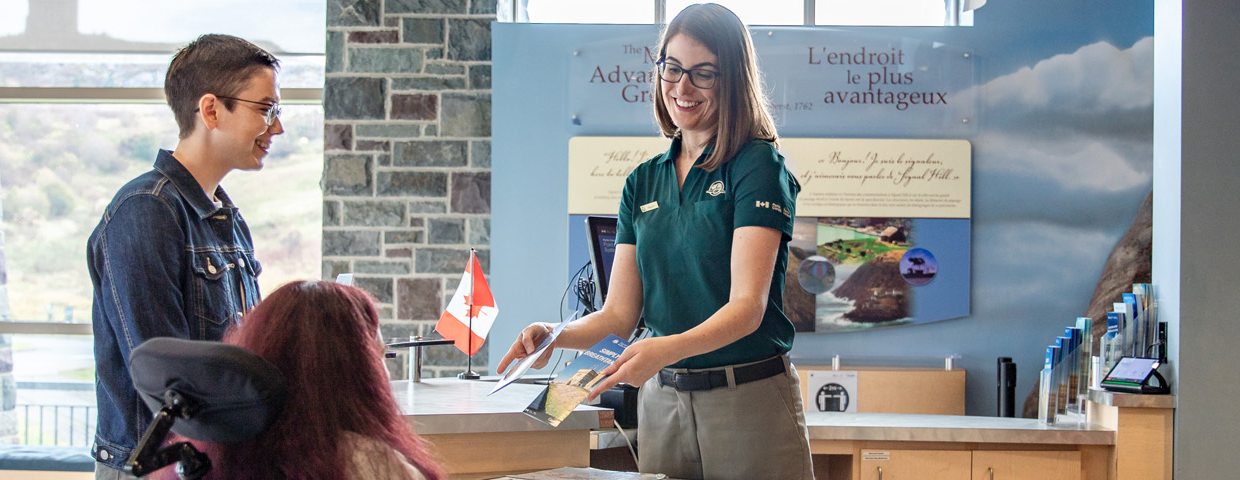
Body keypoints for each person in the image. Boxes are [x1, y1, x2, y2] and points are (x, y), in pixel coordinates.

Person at [497, 4, 813, 479]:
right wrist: (553, 334)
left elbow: (747, 307)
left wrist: (663, 348)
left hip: (748, 400)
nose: (682, 87)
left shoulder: (758, 167)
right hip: (663, 404)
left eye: (703, 74)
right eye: (672, 67)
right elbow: (619, 316)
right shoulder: (642, 183)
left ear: (733, 80)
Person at [87, 34, 286, 479]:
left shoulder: (227, 217)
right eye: (265, 109)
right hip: (162, 469)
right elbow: (164, 378)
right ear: (211, 110)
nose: (277, 128)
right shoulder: (146, 209)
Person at [172, 281, 444, 480]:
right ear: (355, 370)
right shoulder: (373, 464)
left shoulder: (207, 456)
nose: (385, 373)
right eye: (379, 356)